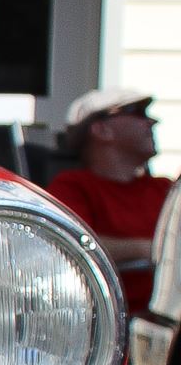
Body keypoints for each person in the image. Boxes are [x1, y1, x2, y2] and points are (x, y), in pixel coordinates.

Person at [46, 87, 171, 313]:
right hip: (112, 321)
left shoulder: (163, 188)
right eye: (137, 112)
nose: (152, 122)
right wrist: (152, 248)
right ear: (101, 129)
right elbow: (69, 246)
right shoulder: (72, 186)